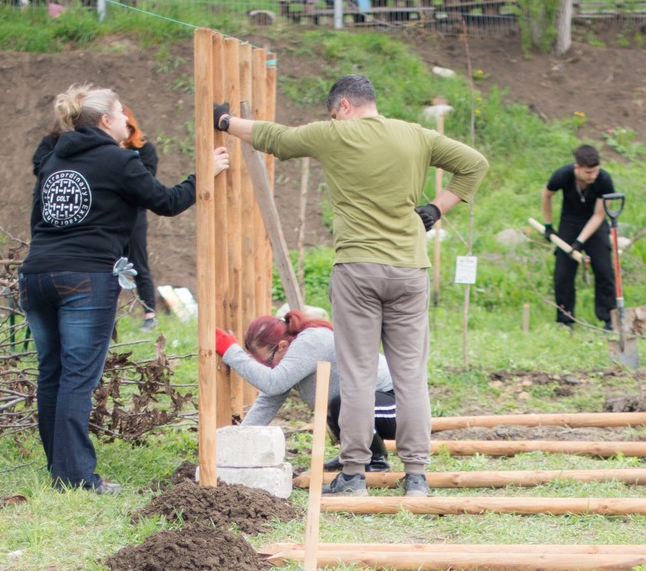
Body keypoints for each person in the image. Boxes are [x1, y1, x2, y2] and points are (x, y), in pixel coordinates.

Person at [217, 74, 487, 496]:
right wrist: (436, 209)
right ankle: (416, 476)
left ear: (343, 106)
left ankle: (354, 475)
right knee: (411, 375)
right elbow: (475, 164)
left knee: (359, 374)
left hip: (357, 270)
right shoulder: (416, 135)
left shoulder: (334, 134)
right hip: (409, 270)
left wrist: (226, 122)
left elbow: (278, 138)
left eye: (333, 113)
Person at [20, 83, 226, 491]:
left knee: (52, 375)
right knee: (78, 377)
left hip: (36, 274)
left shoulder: (52, 161)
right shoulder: (119, 160)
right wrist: (204, 174)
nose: (128, 120)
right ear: (105, 121)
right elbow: (166, 202)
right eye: (121, 113)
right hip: (85, 278)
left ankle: (60, 469)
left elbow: (38, 220)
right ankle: (76, 477)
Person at [215, 311, 396, 471]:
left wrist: (232, 352)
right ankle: (352, 455)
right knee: (340, 403)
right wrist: (238, 441)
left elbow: (273, 383)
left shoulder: (310, 343)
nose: (266, 368)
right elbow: (268, 400)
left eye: (266, 362)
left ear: (283, 346)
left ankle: (376, 461)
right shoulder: (294, 355)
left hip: (395, 406)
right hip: (370, 409)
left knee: (344, 403)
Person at [541, 143, 617, 330]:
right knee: (563, 274)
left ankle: (608, 318)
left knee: (604, 271)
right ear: (577, 167)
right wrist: (548, 225)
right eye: (588, 173)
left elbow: (599, 215)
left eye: (595, 171)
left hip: (595, 225)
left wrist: (579, 242)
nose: (592, 176)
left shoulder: (604, 180)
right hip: (569, 222)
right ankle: (565, 320)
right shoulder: (563, 175)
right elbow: (546, 194)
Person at [122, 107, 159, 329]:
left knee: (139, 264)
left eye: (128, 127)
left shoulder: (145, 149)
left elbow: (145, 184)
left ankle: (149, 315)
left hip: (135, 214)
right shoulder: (108, 150)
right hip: (111, 215)